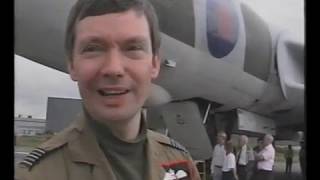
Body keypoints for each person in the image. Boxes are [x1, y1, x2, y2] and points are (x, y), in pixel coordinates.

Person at [15, 0, 201, 180]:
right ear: (72, 64)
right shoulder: (36, 175)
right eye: (93, 48)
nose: (113, 68)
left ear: (154, 63)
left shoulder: (180, 163)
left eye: (133, 48)